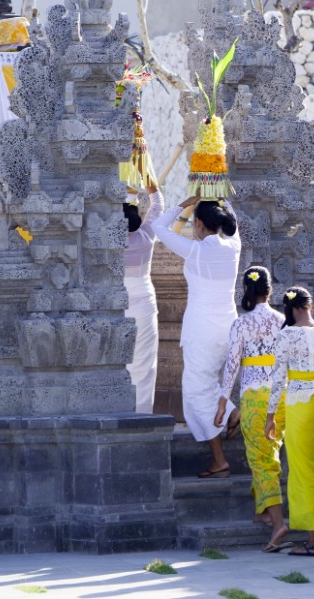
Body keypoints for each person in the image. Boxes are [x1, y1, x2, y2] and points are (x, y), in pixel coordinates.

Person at [150, 197, 241, 477]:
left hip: (202, 330)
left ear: (199, 224)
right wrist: (221, 197)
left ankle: (220, 456)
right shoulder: (234, 246)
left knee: (195, 392)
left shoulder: (196, 251)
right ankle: (231, 413)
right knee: (207, 385)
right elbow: (234, 223)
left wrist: (184, 203)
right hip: (228, 327)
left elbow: (157, 226)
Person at [214, 265, 289, 552]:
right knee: (269, 453)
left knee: (262, 459)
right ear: (270, 290)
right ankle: (263, 511)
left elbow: (232, 365)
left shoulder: (242, 324)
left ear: (246, 290)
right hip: (280, 397)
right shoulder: (283, 321)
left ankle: (279, 522)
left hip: (255, 398)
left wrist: (223, 402)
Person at [266, 285, 314, 557]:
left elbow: (278, 379)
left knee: (304, 472)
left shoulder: (286, 336)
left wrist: (270, 417)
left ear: (290, 310)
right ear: (311, 307)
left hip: (300, 406)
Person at [122, 176, 163, 414]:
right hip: (145, 305)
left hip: (114, 304)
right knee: (144, 366)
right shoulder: (147, 236)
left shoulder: (108, 242)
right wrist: (151, 185)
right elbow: (158, 206)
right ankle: (142, 416)